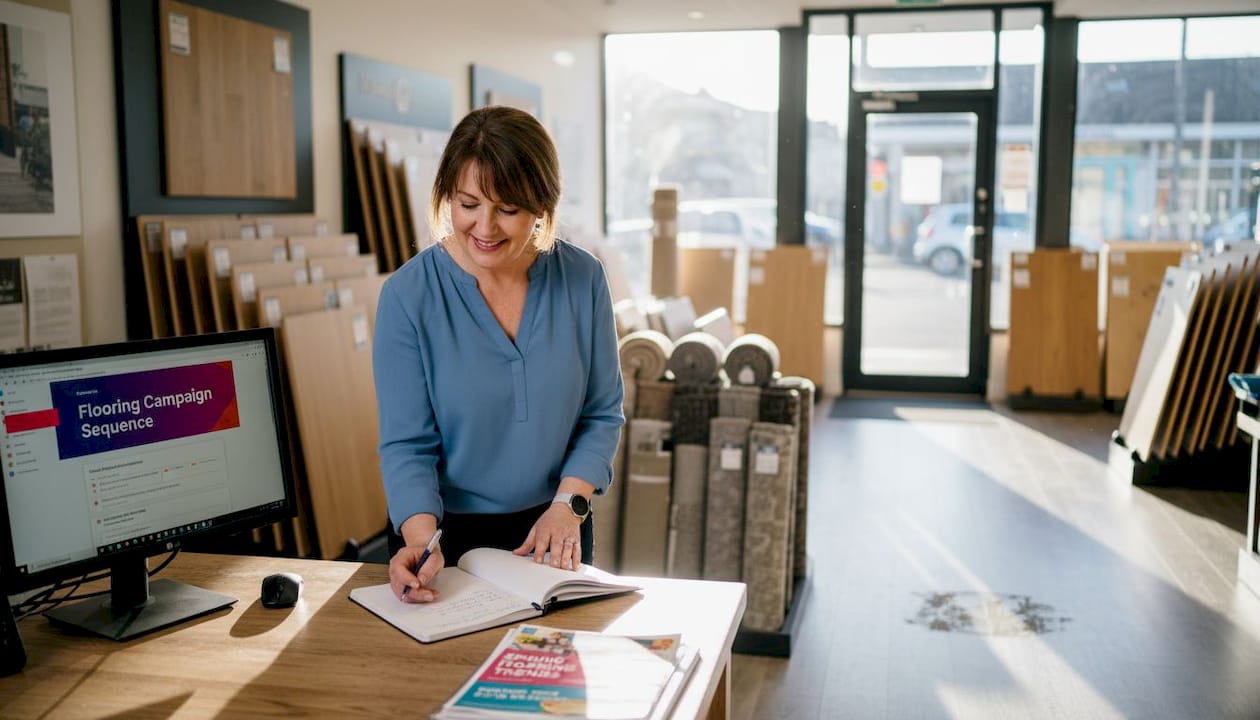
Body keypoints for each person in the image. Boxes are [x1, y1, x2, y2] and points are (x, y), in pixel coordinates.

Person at [372, 106, 624, 604]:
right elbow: (407, 445)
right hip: (443, 533)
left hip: (556, 525)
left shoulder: (583, 279)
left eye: (507, 209)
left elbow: (601, 413)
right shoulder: (408, 296)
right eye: (468, 204)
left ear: (541, 205)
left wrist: (568, 506)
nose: (484, 227)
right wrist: (420, 542)